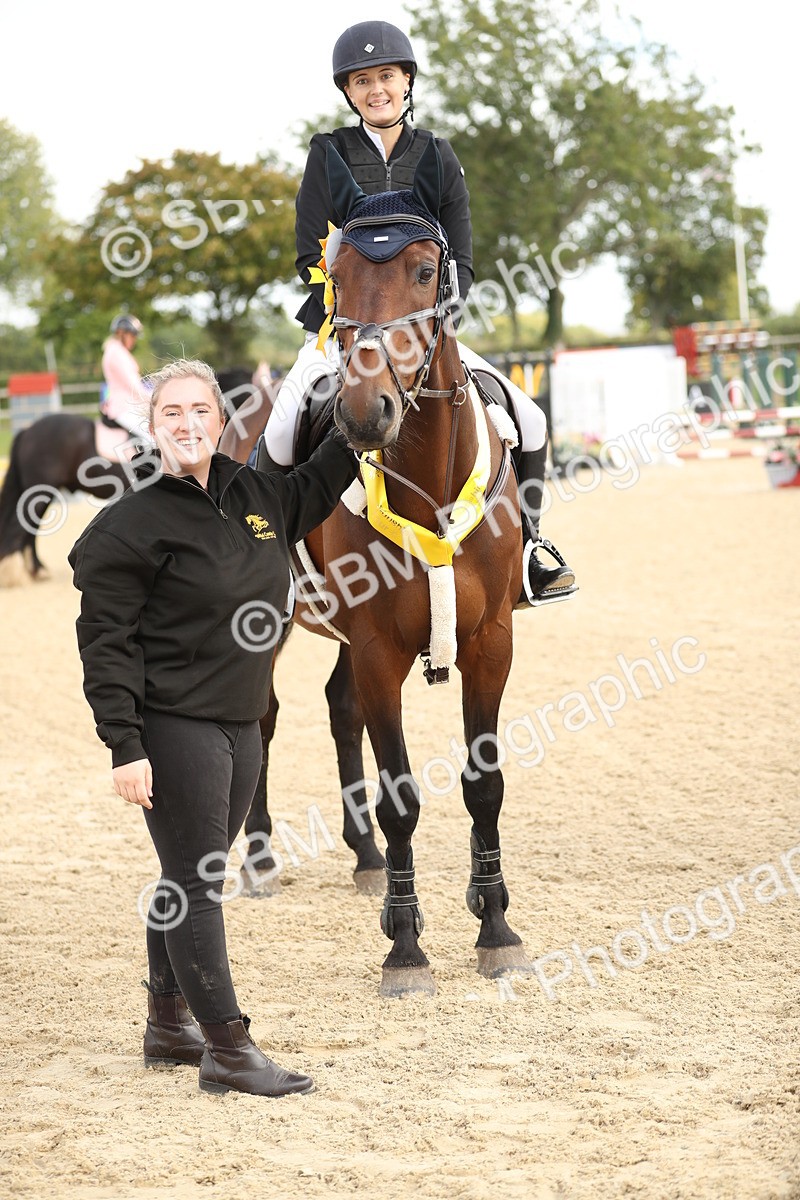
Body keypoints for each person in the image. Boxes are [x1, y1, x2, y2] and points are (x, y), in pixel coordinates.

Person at [68, 358, 361, 1097]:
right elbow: (105, 645)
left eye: (201, 410)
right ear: (153, 426)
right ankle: (228, 1049)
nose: (189, 424)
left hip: (243, 724)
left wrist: (361, 415)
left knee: (185, 873)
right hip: (174, 727)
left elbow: (320, 483)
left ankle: (168, 1022)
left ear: (220, 420)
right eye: (173, 414)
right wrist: (125, 747)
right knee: (202, 882)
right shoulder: (127, 526)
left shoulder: (255, 493)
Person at [261, 19, 576, 608]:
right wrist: (342, 302)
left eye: (386, 75)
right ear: (348, 92)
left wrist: (436, 319)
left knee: (528, 418)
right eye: (362, 80)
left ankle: (533, 546)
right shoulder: (328, 153)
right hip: (344, 329)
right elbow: (309, 250)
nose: (376, 88)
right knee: (280, 431)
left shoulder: (436, 153)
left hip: (424, 334)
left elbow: (463, 253)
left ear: (406, 80)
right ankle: (266, 557)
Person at [100, 314, 150, 440]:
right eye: (132, 335)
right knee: (153, 436)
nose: (134, 339)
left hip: (129, 404)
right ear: (121, 333)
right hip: (124, 407)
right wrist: (154, 401)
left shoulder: (116, 351)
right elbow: (133, 386)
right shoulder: (117, 353)